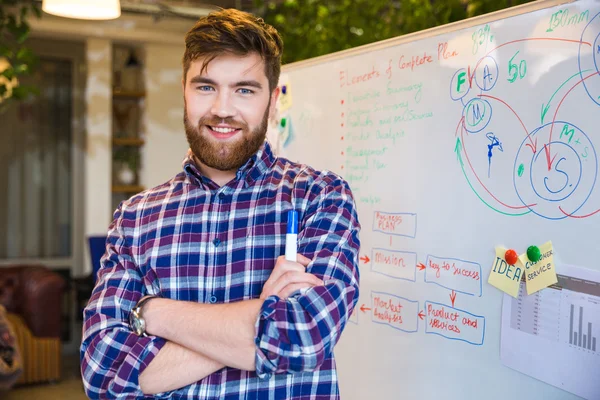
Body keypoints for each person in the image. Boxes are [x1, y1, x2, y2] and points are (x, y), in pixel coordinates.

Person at [80, 8, 360, 399]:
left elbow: (304, 338)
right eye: (206, 87)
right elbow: (103, 373)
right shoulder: (135, 217)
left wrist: (154, 313)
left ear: (273, 100)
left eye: (244, 89)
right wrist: (263, 312)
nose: (223, 109)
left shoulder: (320, 197)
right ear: (184, 90)